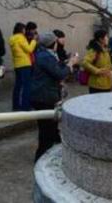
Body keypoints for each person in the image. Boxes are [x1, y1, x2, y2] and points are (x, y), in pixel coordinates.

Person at [31, 32, 79, 162]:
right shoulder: (46, 56)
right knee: (46, 132)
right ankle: (40, 160)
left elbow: (53, 69)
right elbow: (59, 74)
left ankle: (45, 156)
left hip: (44, 96)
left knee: (50, 129)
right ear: (53, 43)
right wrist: (71, 64)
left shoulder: (44, 54)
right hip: (44, 97)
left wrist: (66, 62)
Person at [9, 22, 36, 111]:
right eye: (24, 29)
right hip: (25, 64)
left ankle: (15, 106)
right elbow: (29, 49)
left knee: (18, 86)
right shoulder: (21, 38)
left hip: (17, 65)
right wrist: (34, 41)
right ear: (21, 30)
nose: (25, 31)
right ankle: (26, 106)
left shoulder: (12, 39)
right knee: (26, 86)